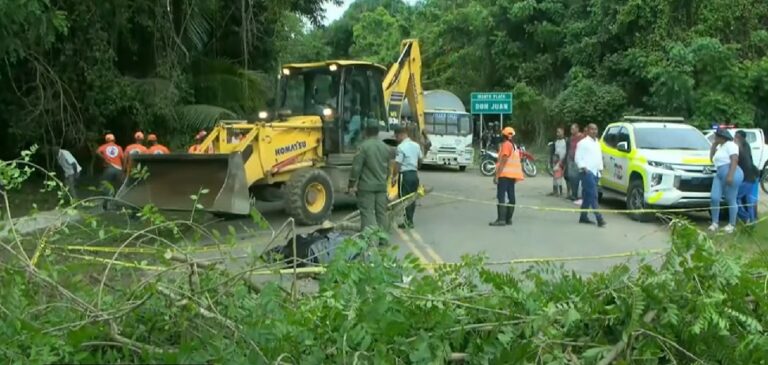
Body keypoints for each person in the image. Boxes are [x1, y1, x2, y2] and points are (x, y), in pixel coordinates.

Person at [348, 119, 392, 231]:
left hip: (366, 187)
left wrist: (351, 184)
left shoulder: (363, 147)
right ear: (378, 132)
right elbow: (389, 168)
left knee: (367, 213)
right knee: (381, 213)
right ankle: (383, 238)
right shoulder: (385, 147)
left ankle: (371, 240)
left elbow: (356, 168)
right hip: (381, 186)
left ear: (365, 131)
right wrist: (385, 181)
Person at [708, 128, 744, 233]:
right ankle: (715, 222)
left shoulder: (731, 145)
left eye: (717, 136)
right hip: (719, 173)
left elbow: (734, 159)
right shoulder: (721, 147)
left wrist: (730, 175)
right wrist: (714, 145)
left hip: (731, 171)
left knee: (731, 198)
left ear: (722, 137)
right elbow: (711, 159)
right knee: (714, 197)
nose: (715, 137)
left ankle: (731, 224)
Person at [489, 126, 524, 226]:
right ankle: (508, 219)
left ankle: (501, 219)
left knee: (501, 197)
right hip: (512, 176)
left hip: (504, 175)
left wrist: (497, 175)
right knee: (511, 197)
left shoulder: (506, 145)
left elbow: (503, 161)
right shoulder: (514, 146)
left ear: (503, 135)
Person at [575, 123, 606, 227]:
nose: (594, 131)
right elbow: (578, 157)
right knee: (593, 195)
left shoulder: (597, 142)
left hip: (596, 172)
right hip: (586, 172)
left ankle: (583, 217)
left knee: (587, 196)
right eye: (592, 129)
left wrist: (600, 169)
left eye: (596, 129)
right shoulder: (582, 143)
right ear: (587, 130)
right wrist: (584, 168)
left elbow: (599, 157)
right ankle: (599, 218)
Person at [393, 126, 421, 229]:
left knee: (404, 198)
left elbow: (397, 164)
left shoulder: (401, 147)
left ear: (400, 135)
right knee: (412, 198)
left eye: (396, 137)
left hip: (405, 175)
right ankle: (410, 220)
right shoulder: (416, 145)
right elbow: (420, 159)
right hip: (414, 174)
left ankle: (407, 221)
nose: (396, 139)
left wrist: (394, 176)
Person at [734, 130, 758, 224]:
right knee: (748, 201)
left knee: (736, 198)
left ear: (743, 138)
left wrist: (737, 145)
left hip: (748, 178)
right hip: (750, 177)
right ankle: (752, 221)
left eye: (738, 137)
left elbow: (745, 159)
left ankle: (746, 216)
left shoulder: (744, 146)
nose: (735, 139)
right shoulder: (744, 146)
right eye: (735, 136)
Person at [96, 133, 124, 210]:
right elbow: (122, 158)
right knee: (119, 187)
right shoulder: (118, 148)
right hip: (118, 169)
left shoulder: (104, 147)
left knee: (107, 186)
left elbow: (97, 152)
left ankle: (106, 203)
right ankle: (119, 205)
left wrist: (104, 159)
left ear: (106, 140)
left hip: (108, 168)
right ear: (114, 140)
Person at [566, 123, 585, 201]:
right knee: (572, 178)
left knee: (578, 178)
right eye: (571, 129)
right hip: (571, 159)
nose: (571, 131)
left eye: (573, 129)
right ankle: (574, 194)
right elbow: (570, 148)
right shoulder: (571, 138)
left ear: (577, 129)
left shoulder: (581, 137)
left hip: (579, 160)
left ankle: (579, 195)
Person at [549, 127, 568, 196]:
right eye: (557, 132)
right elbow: (553, 151)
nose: (558, 133)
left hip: (562, 161)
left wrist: (564, 161)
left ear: (563, 132)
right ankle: (555, 191)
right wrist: (552, 160)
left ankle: (560, 192)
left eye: (559, 132)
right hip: (555, 160)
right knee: (555, 176)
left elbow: (567, 151)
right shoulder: (555, 141)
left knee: (559, 177)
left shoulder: (566, 141)